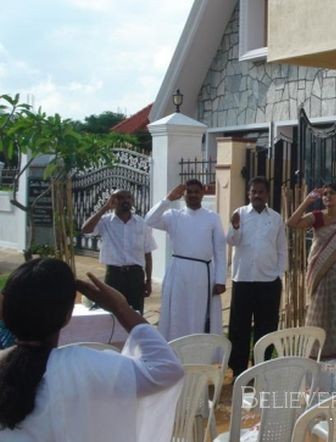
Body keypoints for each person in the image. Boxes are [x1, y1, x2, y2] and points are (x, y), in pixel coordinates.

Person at [0, 258, 183, 442]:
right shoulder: (84, 368)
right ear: (67, 315)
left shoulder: (6, 364)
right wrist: (120, 307)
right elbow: (167, 368)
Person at [145, 179, 226, 341]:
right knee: (177, 312)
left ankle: (199, 352)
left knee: (200, 312)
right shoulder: (173, 216)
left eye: (197, 191)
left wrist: (220, 279)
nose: (193, 195)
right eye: (189, 192)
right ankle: (176, 349)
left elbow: (220, 250)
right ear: (184, 194)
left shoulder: (212, 217)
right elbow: (149, 220)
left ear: (203, 193)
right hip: (179, 272)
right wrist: (167, 199)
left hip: (203, 274)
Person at [227, 176, 287, 378]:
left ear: (267, 194)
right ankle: (238, 370)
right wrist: (235, 227)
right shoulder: (240, 214)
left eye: (261, 191)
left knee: (267, 326)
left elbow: (282, 249)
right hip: (242, 279)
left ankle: (261, 368)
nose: (257, 195)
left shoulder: (276, 218)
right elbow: (231, 241)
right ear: (248, 193)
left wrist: (279, 274)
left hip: (268, 282)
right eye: (254, 192)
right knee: (239, 327)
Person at [287, 183, 336, 358]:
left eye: (332, 193)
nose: (328, 197)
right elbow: (291, 223)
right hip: (319, 276)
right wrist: (307, 201)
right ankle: (315, 357)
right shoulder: (317, 217)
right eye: (325, 194)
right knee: (318, 317)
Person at [81, 189, 157, 314]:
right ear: (113, 200)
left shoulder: (142, 224)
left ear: (132, 201)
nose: (125, 200)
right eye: (120, 197)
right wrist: (105, 208)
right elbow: (85, 229)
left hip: (135, 276)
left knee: (135, 314)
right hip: (114, 275)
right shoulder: (105, 222)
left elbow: (147, 254)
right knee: (112, 313)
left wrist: (148, 281)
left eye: (128, 197)